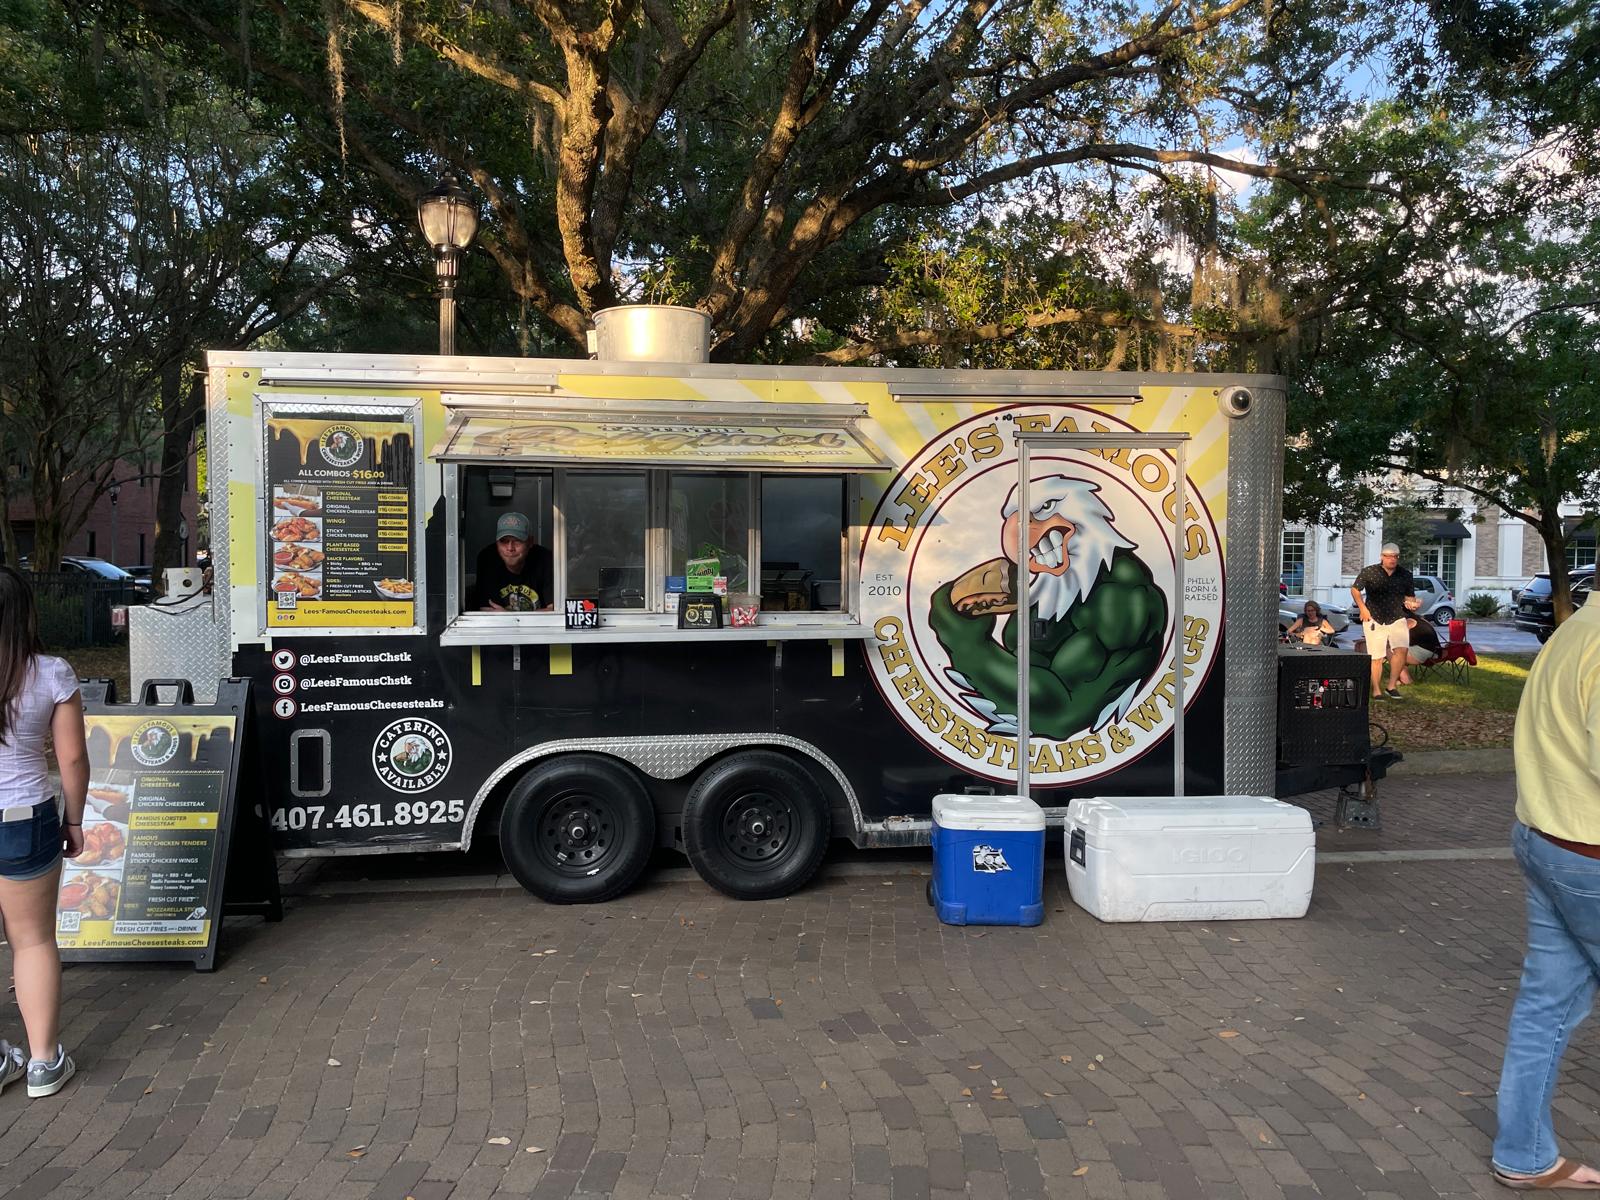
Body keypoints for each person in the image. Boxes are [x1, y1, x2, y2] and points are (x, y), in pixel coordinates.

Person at [1491, 587, 1600, 1189]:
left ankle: (1524, 1154)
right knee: (1545, 1008)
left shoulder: (1573, 631)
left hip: (1546, 838)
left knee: (1545, 1008)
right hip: (1587, 854)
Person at [0, 566, 85, 1097]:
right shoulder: (51, 673)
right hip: (24, 817)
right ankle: (43, 1063)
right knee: (31, 939)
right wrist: (74, 819)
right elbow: (71, 758)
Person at [1351, 543, 1421, 701]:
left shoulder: (1405, 575)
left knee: (1401, 650)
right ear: (1382, 557)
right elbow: (1355, 589)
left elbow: (1410, 597)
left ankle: (1391, 686)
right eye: (1388, 556)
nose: (1392, 559)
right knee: (1376, 656)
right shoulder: (1369, 571)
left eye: (1395, 557)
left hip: (1397, 616)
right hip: (1373, 617)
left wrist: (1413, 604)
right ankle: (1376, 690)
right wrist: (1362, 608)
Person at [469, 512, 553, 612]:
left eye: (517, 541)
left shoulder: (545, 559)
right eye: (504, 541)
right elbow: (487, 610)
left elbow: (555, 610)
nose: (510, 548)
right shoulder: (487, 558)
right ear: (496, 543)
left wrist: (507, 615)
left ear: (530, 542)